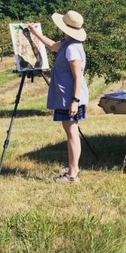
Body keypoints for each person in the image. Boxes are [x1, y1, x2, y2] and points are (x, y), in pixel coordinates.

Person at [28, 10, 89, 183]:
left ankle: (72, 174)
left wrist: (75, 102)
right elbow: (52, 46)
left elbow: (78, 77)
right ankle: (73, 167)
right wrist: (35, 33)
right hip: (68, 96)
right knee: (71, 132)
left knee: (72, 133)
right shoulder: (66, 43)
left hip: (71, 97)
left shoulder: (71, 49)